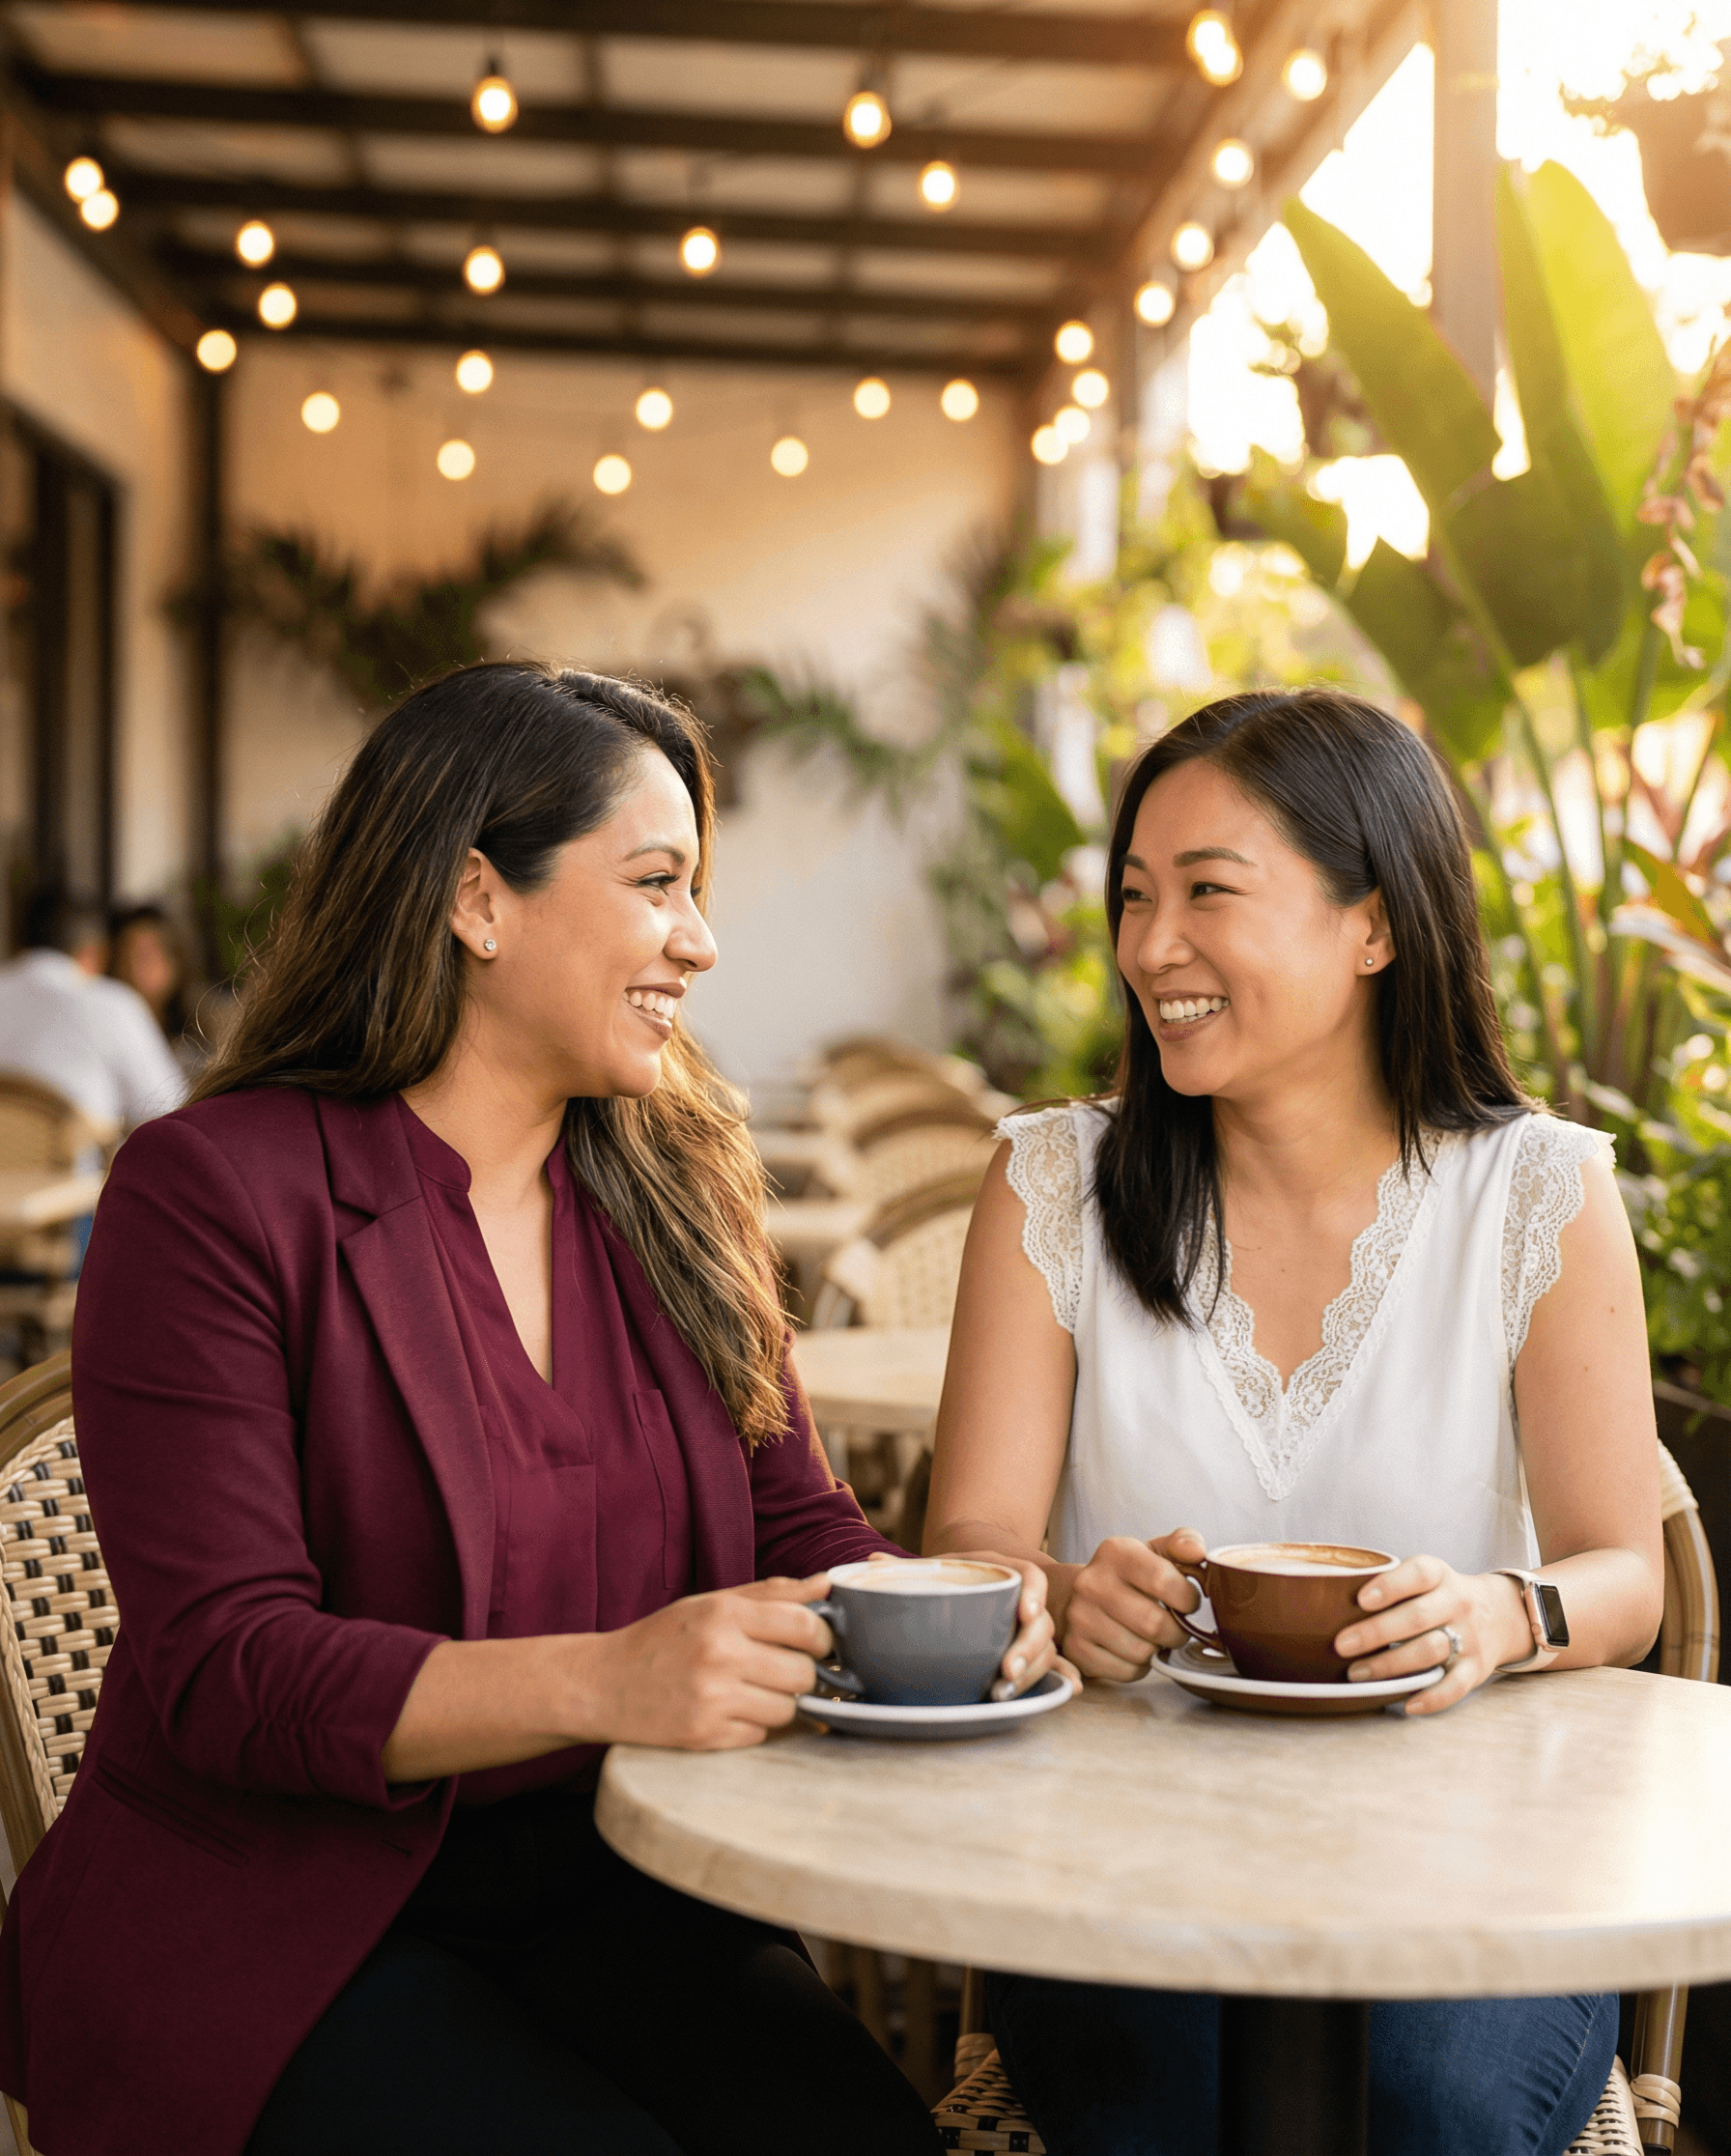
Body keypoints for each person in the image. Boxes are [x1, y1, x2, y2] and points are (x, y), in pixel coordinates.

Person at [0, 663, 1056, 2156]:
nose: (700, 940)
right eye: (656, 882)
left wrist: (954, 1613)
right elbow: (227, 1671)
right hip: (286, 1920)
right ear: (477, 900)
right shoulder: (214, 1196)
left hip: (627, 1877)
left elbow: (798, 1524)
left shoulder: (678, 1186)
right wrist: (608, 1681)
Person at [925, 689, 1661, 2156]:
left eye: (1210, 892)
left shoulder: (1540, 1197)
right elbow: (971, 1543)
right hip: (1115, 1869)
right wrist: (1065, 1597)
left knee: (1433, 2110)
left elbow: (1623, 1572)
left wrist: (1495, 1618)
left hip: (1475, 1866)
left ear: (1373, 924)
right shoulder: (1051, 1188)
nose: (1150, 949)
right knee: (1170, 2106)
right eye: (1136, 897)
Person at [0, 891, 185, 1139]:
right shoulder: (113, 1004)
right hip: (76, 1174)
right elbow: (170, 1113)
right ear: (93, 954)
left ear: (16, 946)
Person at [107, 900, 205, 1068]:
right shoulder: (105, 1034)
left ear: (177, 960)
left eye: (146, 957)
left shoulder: (199, 1040)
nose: (134, 969)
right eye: (125, 956)